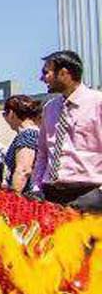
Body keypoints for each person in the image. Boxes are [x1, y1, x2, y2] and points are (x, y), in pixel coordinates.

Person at [34, 50, 102, 211]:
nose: (42, 78)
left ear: (64, 73)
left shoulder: (97, 103)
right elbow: (43, 153)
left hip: (90, 196)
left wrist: (98, 195)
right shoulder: (50, 108)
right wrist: (37, 188)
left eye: (46, 72)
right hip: (51, 195)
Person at [0, 94, 42, 197]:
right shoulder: (32, 133)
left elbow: (23, 170)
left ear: (11, 113)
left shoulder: (27, 134)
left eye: (4, 114)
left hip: (28, 196)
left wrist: (13, 198)